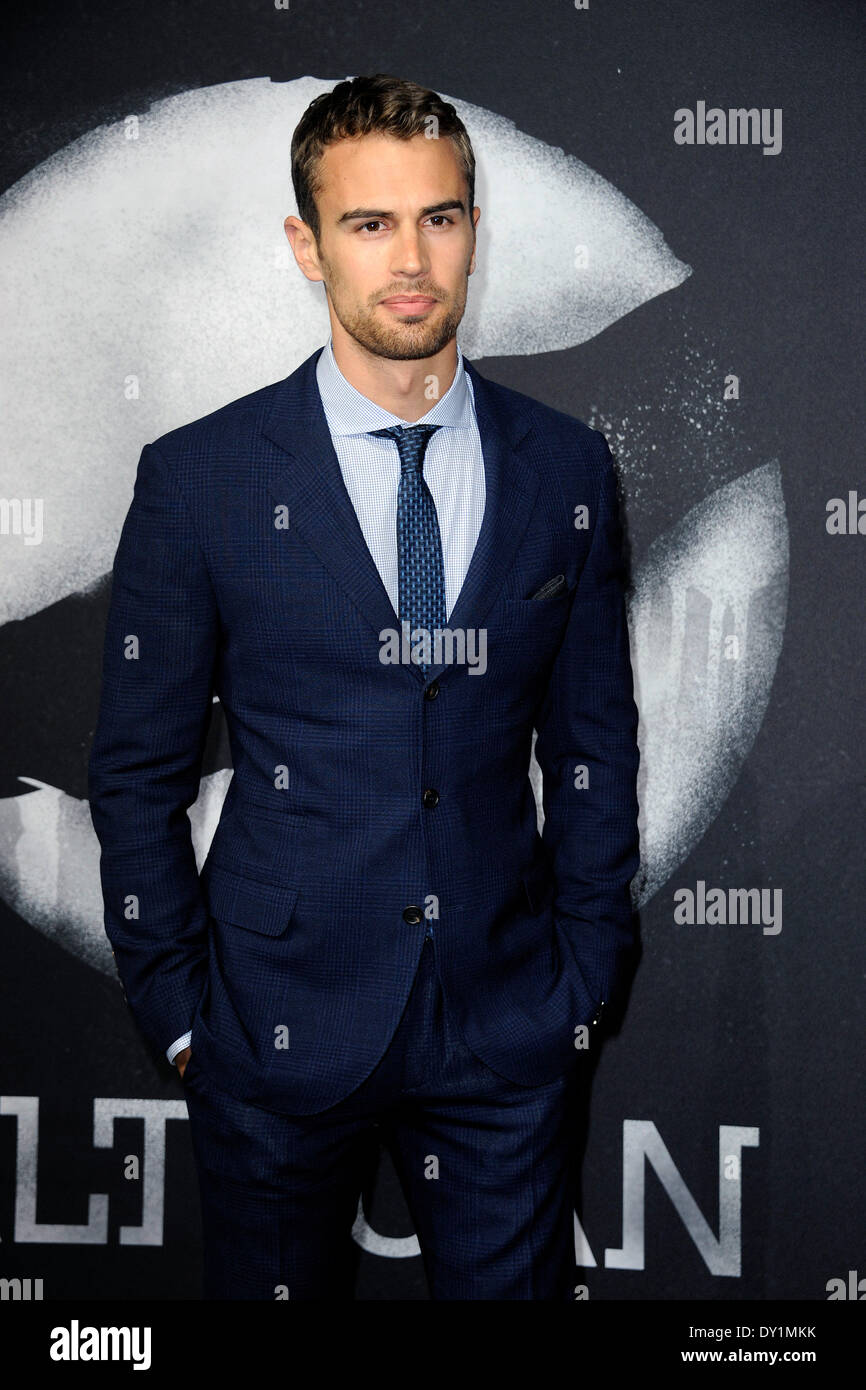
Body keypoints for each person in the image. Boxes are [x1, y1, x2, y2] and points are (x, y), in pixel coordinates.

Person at [88, 72, 641, 1301]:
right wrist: (186, 1020)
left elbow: (595, 743)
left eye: (437, 218)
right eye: (368, 222)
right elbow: (134, 775)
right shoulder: (203, 479)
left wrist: (582, 975)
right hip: (273, 1028)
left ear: (472, 234)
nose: (409, 258)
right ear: (306, 243)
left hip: (505, 1029)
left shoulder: (564, 467)